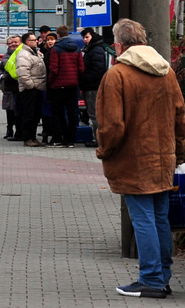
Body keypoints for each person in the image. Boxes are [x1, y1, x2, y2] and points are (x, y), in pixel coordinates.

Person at [97, 18, 185, 299]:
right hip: (163, 158)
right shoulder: (166, 72)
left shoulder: (117, 75)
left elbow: (112, 126)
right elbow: (180, 117)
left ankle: (151, 279)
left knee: (144, 219)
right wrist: (179, 152)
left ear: (119, 45)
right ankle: (162, 277)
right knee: (160, 218)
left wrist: (104, 151)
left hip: (133, 160)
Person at [47, 26, 84, 148]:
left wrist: (50, 82)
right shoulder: (77, 49)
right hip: (73, 86)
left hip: (58, 85)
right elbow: (81, 68)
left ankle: (58, 138)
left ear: (58, 35)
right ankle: (70, 139)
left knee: (57, 112)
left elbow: (53, 69)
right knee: (72, 112)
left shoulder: (56, 49)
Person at [80, 27, 115, 148]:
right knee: (95, 113)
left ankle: (98, 139)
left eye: (87, 37)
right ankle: (99, 138)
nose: (85, 40)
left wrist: (84, 78)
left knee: (95, 113)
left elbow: (97, 70)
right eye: (83, 38)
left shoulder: (95, 50)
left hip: (93, 86)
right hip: (93, 85)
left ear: (92, 36)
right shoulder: (94, 49)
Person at [16, 31, 47, 147]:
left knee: (36, 114)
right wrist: (30, 85)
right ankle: (27, 138)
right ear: (28, 42)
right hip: (30, 89)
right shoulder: (24, 54)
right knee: (29, 114)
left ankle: (33, 137)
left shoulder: (34, 53)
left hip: (38, 87)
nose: (37, 41)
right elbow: (23, 72)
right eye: (34, 40)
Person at [0, 35, 22, 140]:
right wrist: (1, 76)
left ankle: (18, 131)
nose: (13, 44)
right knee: (9, 110)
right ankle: (9, 129)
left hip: (18, 87)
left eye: (15, 42)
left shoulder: (22, 54)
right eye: (10, 43)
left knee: (18, 110)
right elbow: (0, 69)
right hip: (8, 88)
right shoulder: (6, 55)